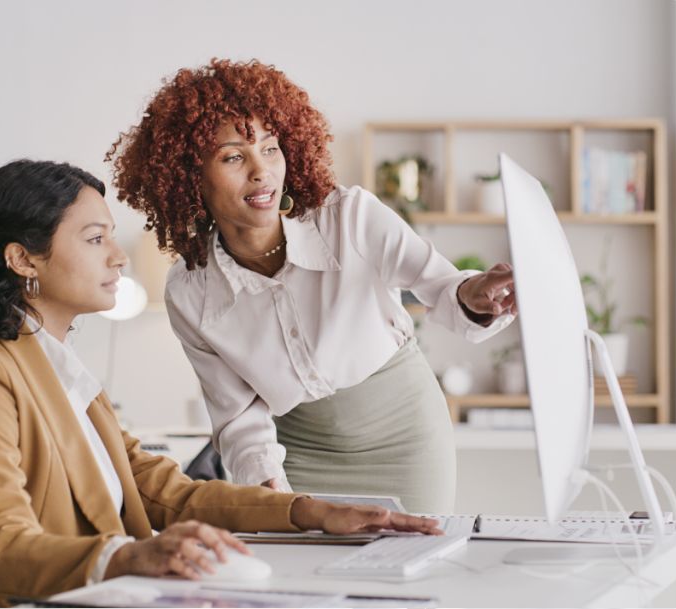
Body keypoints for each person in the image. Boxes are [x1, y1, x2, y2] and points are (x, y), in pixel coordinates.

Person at [0, 159, 440, 607]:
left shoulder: (62, 373)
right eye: (95, 239)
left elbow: (170, 496)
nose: (118, 256)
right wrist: (129, 556)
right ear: (23, 258)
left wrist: (312, 511)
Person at [107, 59, 517, 514]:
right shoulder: (190, 291)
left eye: (270, 147)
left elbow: (441, 285)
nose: (261, 171)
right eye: (233, 157)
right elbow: (239, 417)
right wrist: (278, 499)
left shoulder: (349, 217)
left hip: (405, 435)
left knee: (409, 566)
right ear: (190, 176)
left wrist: (477, 293)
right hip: (297, 451)